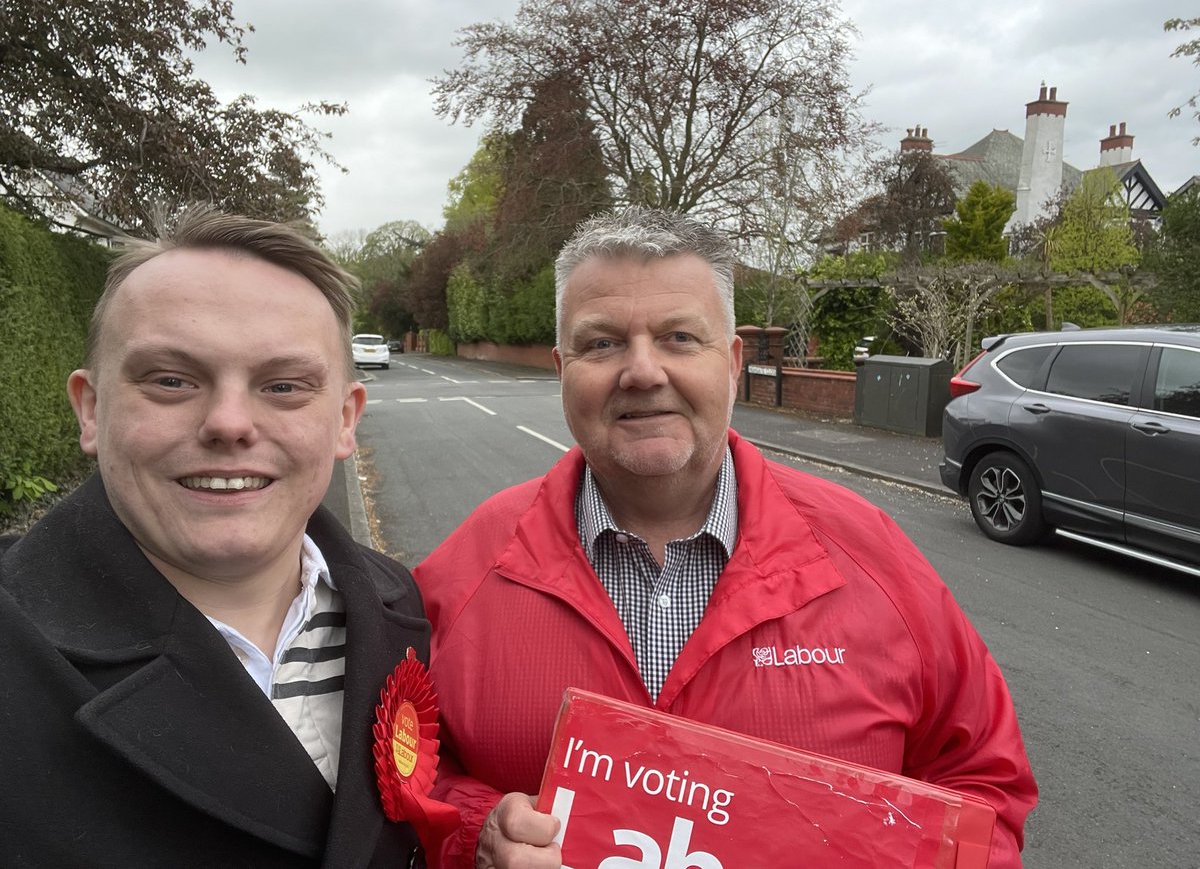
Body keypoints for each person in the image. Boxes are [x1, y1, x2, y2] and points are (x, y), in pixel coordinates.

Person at [415, 206, 1037, 869]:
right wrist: (479, 833)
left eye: (680, 337)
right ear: (561, 367)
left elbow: (984, 787)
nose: (643, 371)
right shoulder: (465, 570)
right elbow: (409, 771)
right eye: (601, 344)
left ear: (733, 361)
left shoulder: (872, 556)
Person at [0, 207, 430, 866]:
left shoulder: (396, 605)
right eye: (171, 380)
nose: (230, 423)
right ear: (91, 409)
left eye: (283, 386)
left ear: (345, 420)